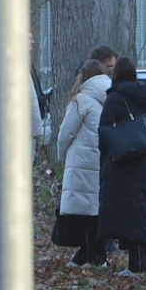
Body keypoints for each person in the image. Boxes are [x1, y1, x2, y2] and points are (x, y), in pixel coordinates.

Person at [97, 57, 146, 273]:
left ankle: (136, 266)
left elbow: (104, 131)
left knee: (129, 215)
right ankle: (145, 263)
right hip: (145, 163)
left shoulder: (115, 99)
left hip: (123, 165)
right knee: (142, 212)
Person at [55, 58, 110, 266]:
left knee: (86, 215)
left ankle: (95, 257)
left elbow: (65, 134)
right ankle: (87, 255)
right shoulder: (110, 96)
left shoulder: (82, 100)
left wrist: (62, 158)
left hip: (82, 163)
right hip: (102, 160)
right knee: (95, 211)